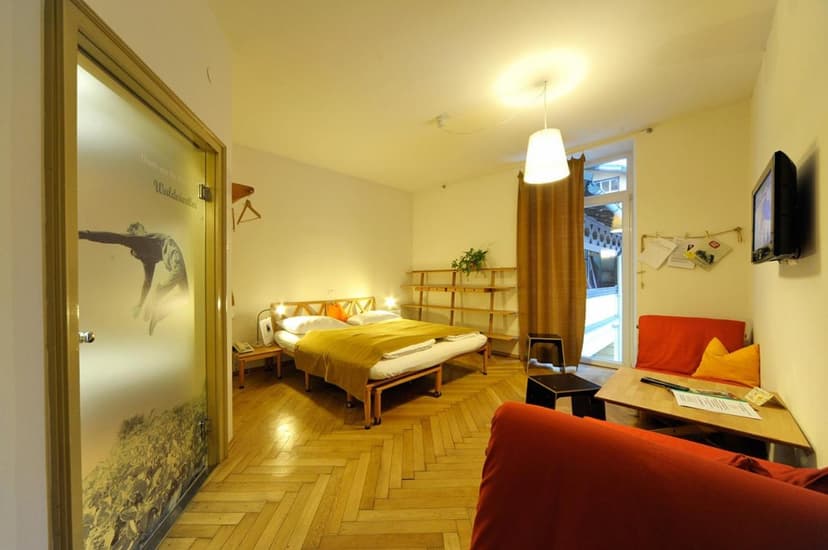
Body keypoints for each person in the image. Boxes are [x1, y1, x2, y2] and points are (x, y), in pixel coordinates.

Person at [79, 222, 188, 335]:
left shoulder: (146, 255)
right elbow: (111, 237)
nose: (145, 232)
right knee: (179, 275)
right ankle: (159, 297)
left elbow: (147, 284)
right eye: (141, 230)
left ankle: (159, 312)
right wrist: (84, 234)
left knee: (185, 295)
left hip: (167, 250)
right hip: (168, 246)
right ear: (135, 231)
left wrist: (140, 304)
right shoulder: (139, 240)